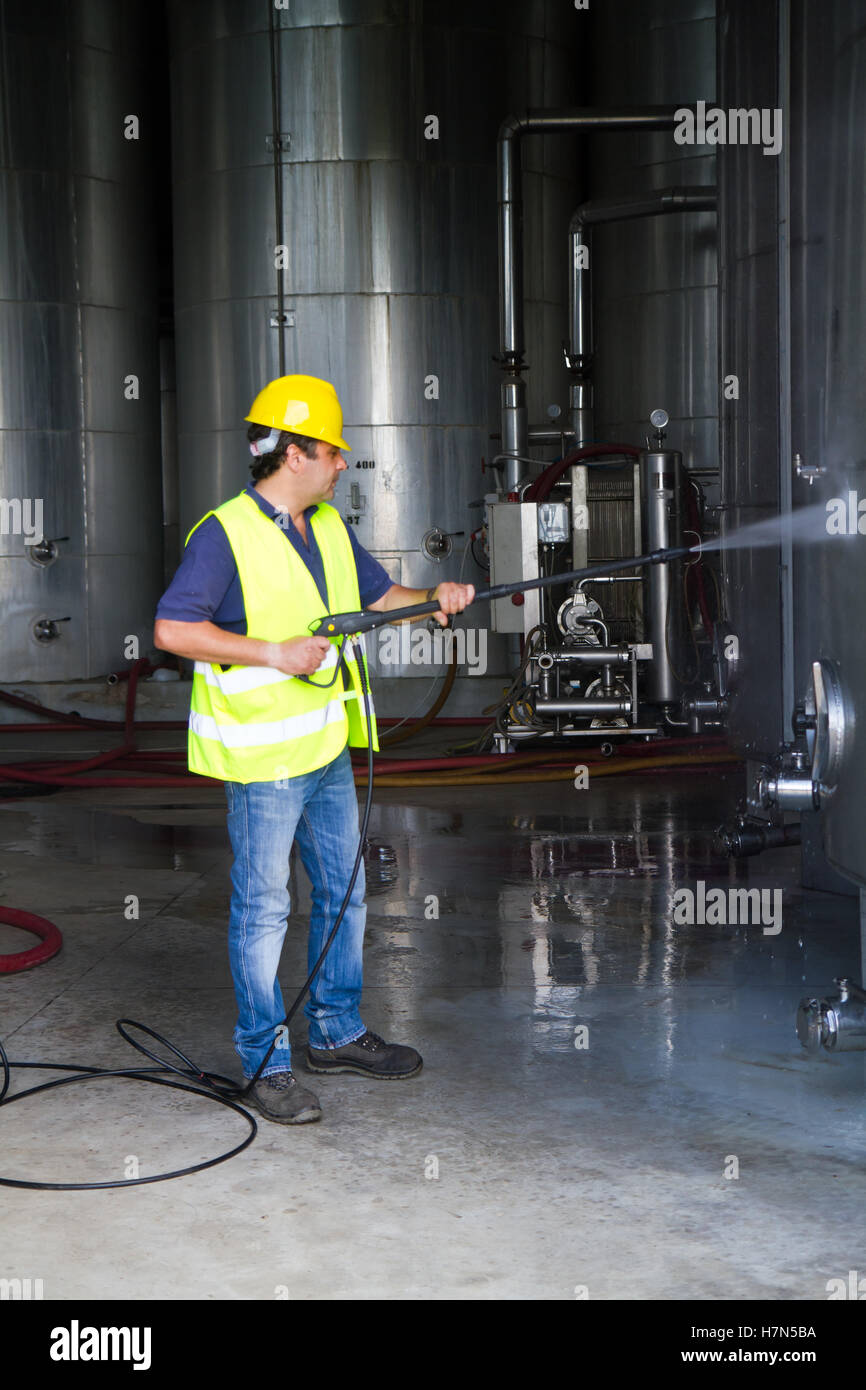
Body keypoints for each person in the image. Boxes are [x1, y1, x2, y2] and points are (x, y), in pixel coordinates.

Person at [153, 374, 474, 1125]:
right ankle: (266, 1065)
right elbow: (172, 630)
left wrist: (436, 600)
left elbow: (379, 597)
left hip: (327, 748)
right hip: (264, 764)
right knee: (264, 907)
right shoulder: (223, 533)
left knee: (345, 889)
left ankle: (335, 1031)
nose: (342, 465)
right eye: (334, 453)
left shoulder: (326, 525)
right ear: (296, 453)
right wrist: (273, 653)